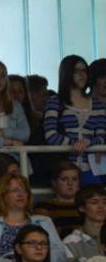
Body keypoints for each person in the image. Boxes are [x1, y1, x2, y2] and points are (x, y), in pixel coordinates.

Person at [0, 173, 66, 262]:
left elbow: (60, 256)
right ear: (3, 195)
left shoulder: (44, 221)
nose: (20, 194)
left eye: (24, 190)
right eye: (15, 190)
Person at [43, 55, 106, 184]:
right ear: (66, 74)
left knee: (93, 195)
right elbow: (50, 135)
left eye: (84, 71)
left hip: (91, 168)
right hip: (64, 168)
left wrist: (88, 142)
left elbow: (101, 136)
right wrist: (75, 144)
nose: (82, 75)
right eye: (76, 71)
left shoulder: (97, 104)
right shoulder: (55, 101)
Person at [63, 184, 106, 262]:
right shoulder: (70, 242)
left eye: (105, 202)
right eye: (94, 202)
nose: (101, 206)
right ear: (81, 208)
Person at [33, 161, 83, 238]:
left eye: (74, 179)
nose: (70, 183)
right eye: (64, 179)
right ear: (54, 183)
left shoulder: (86, 207)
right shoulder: (43, 207)